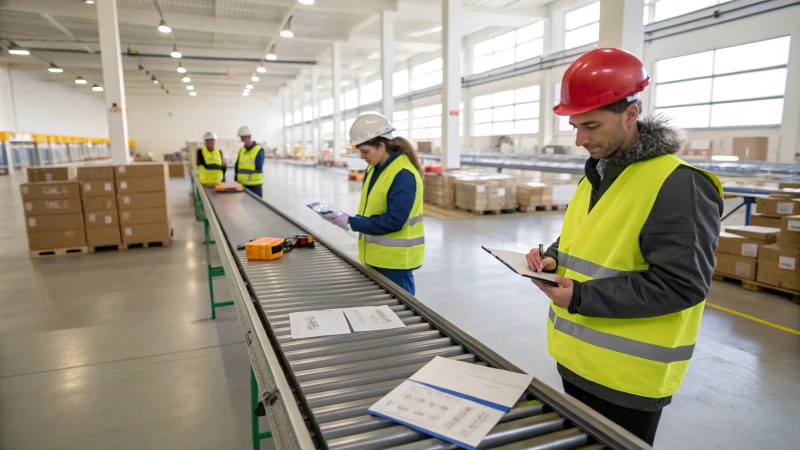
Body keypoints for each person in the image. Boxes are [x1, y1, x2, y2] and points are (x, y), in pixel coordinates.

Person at [525, 48, 723, 446]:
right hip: (576, 359)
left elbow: (682, 284)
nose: (580, 139)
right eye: (575, 126)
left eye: (592, 125)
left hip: (629, 378)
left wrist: (581, 296)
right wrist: (553, 255)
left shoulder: (679, 185)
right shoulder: (597, 175)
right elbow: (588, 237)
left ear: (631, 115)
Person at [332, 113, 425, 295]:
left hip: (395, 263)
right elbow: (373, 209)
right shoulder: (375, 168)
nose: (362, 157)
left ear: (381, 146)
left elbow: (393, 221)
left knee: (401, 314)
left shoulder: (403, 174)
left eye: (365, 151)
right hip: (377, 257)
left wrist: (352, 222)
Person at [235, 125, 265, 197]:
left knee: (257, 206)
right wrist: (236, 176)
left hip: (255, 185)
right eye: (241, 137)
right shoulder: (242, 150)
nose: (242, 139)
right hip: (243, 184)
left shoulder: (258, 149)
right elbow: (237, 165)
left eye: (244, 137)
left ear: (249, 136)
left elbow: (258, 166)